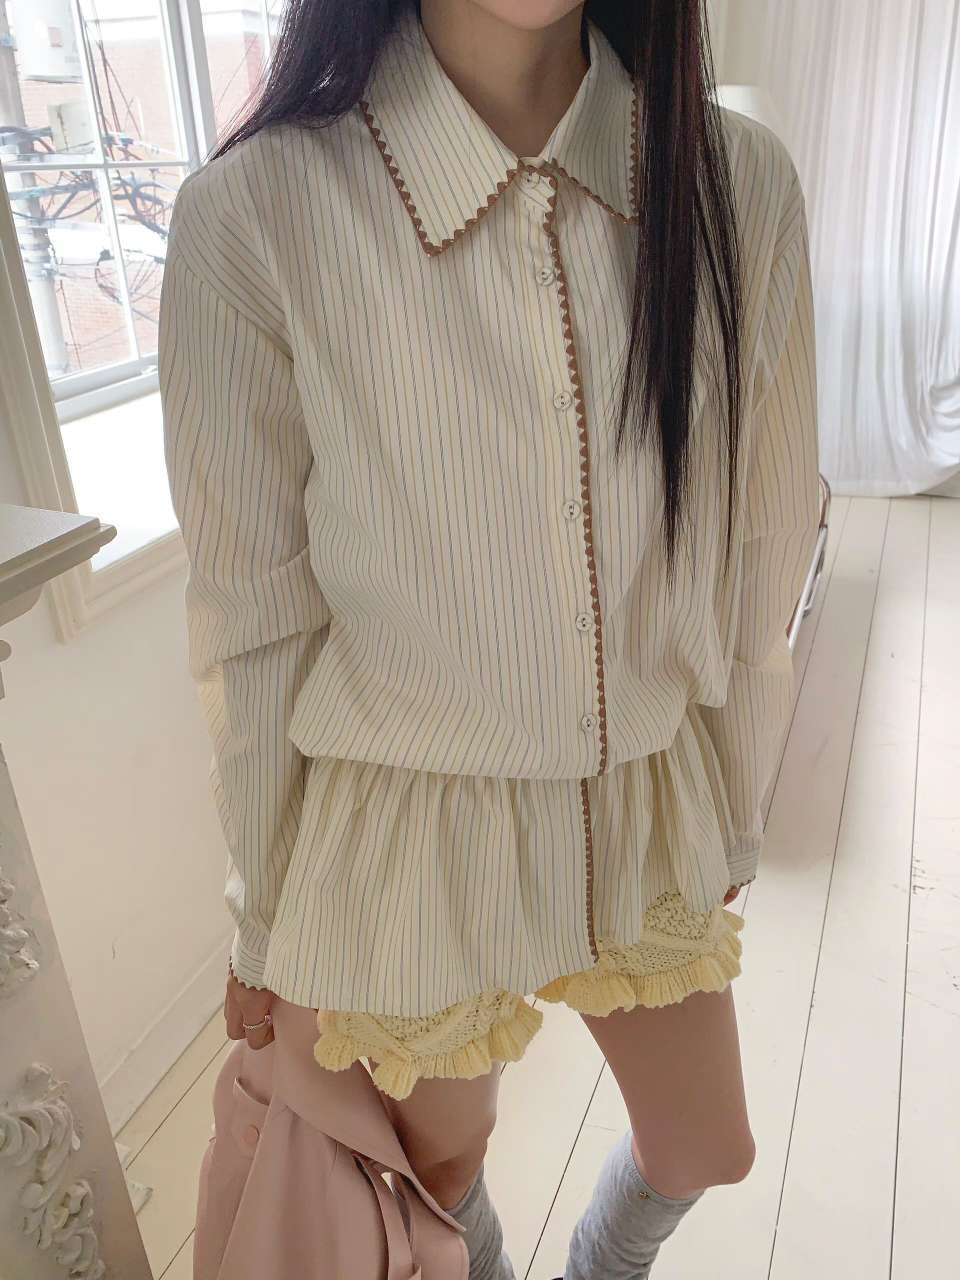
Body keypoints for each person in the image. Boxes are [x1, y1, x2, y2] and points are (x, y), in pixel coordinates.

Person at [158, 1, 820, 1276]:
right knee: (439, 1181)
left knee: (707, 1145)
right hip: (405, 822)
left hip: (645, 790)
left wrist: (735, 806)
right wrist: (265, 921)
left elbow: (760, 539)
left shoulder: (733, 183)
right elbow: (254, 616)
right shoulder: (259, 210)